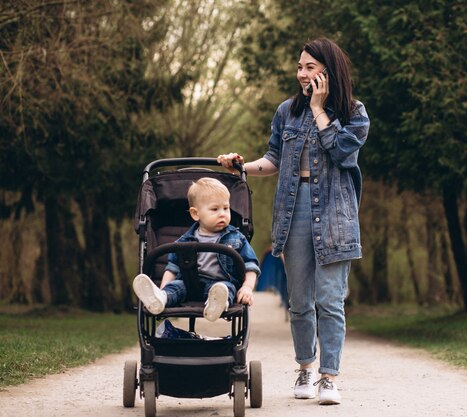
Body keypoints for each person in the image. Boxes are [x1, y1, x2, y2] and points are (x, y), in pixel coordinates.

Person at [218, 37, 369, 405]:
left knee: (330, 300)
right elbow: (273, 158)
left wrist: (319, 109)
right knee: (299, 301)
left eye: (309, 67)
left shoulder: (354, 113)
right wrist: (242, 167)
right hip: (294, 209)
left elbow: (340, 150)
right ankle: (305, 367)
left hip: (335, 213)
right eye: (300, 66)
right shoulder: (286, 111)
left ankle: (329, 377)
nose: (301, 73)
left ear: (328, 72)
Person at [133, 177, 260, 322]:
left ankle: (217, 305)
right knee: (176, 287)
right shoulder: (184, 241)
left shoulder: (237, 238)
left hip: (221, 284)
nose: (222, 213)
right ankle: (160, 299)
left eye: (226, 208)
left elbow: (251, 265)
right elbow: (172, 268)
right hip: (191, 285)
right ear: (195, 214)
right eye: (215, 209)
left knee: (225, 289)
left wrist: (247, 287)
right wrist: (163, 288)